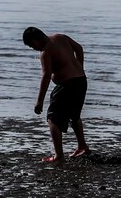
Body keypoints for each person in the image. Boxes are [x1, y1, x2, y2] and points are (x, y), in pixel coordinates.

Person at [22, 27, 90, 164]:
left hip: (67, 85)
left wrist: (39, 101)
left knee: (52, 117)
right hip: (81, 80)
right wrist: (79, 67)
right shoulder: (60, 37)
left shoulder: (46, 52)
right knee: (74, 114)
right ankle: (82, 146)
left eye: (31, 45)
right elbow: (79, 48)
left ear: (35, 40)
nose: (32, 48)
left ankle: (59, 156)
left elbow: (46, 76)